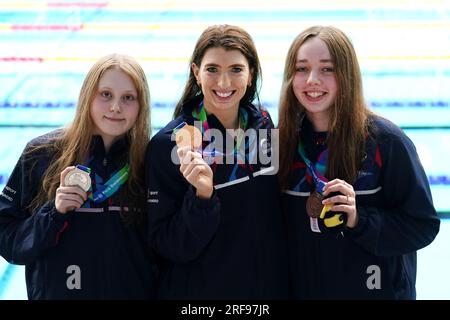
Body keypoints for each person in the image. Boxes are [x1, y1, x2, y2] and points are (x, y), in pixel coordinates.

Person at [278, 25, 440, 299]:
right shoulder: (284, 145)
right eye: (301, 69)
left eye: (327, 69)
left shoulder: (386, 143)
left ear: (347, 75)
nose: (312, 80)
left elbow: (422, 226)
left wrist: (358, 219)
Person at [145, 24, 288, 299]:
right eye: (212, 69)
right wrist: (201, 199)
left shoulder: (267, 132)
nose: (223, 83)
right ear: (196, 73)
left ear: (251, 75)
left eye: (235, 69)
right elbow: (167, 245)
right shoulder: (168, 146)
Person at [0, 54, 157, 299]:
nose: (116, 107)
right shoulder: (41, 154)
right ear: (88, 96)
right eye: (106, 94)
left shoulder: (148, 162)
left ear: (141, 105)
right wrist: (53, 213)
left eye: (128, 98)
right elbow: (7, 239)